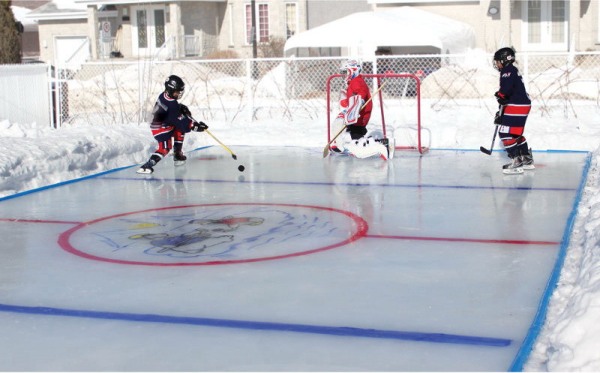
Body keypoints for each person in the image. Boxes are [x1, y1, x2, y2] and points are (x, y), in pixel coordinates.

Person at [137, 75, 208, 174]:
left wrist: (181, 108)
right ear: (170, 90)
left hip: (165, 123)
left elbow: (175, 115)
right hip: (161, 129)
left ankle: (177, 154)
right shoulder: (172, 105)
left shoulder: (164, 95)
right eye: (177, 92)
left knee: (179, 130)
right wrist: (195, 126)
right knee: (165, 148)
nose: (179, 94)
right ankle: (147, 166)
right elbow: (182, 122)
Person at [331, 59, 393, 160]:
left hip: (361, 114)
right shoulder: (353, 83)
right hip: (359, 113)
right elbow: (352, 99)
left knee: (357, 136)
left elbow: (361, 93)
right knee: (354, 134)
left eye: (346, 72)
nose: (344, 75)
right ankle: (380, 143)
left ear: (353, 71)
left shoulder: (357, 81)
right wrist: (345, 102)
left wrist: (360, 102)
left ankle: (381, 146)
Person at [493, 47, 534, 175]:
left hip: (516, 105)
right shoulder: (513, 69)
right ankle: (526, 158)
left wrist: (500, 95)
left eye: (498, 61)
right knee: (515, 133)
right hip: (522, 104)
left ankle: (516, 161)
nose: (497, 64)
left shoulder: (507, 71)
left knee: (505, 133)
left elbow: (506, 89)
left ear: (505, 60)